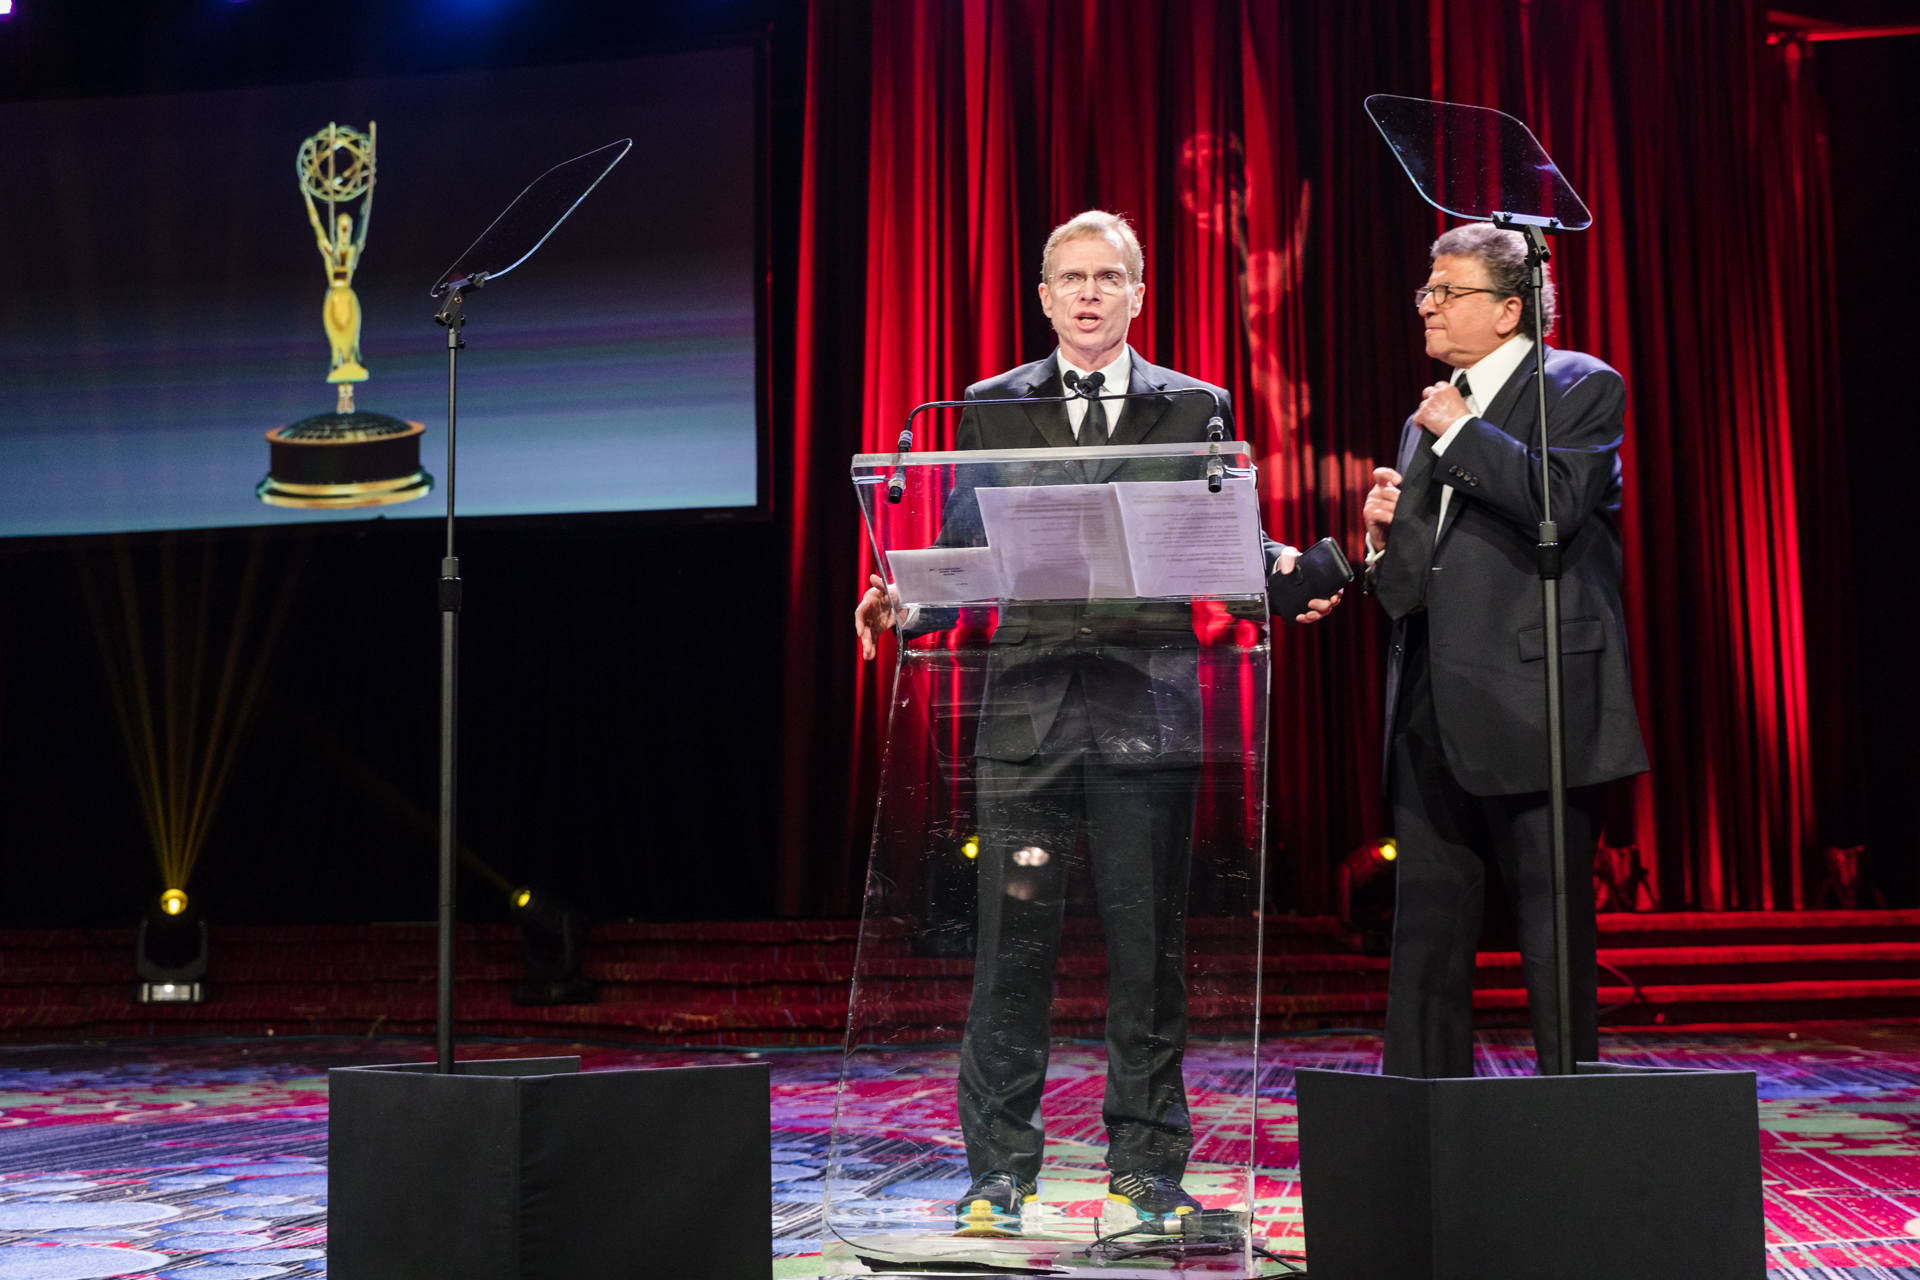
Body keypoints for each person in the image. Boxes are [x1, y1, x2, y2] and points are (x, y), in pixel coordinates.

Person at [855, 211, 1339, 1234]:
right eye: (1070, 278)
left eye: (1106, 277)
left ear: (1137, 294)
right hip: (1024, 712)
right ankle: (998, 1170)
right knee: (1011, 952)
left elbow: (1229, 541)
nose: (1087, 293)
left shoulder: (1194, 405)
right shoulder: (989, 406)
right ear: (1043, 296)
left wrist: (1290, 575)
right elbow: (964, 544)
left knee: (1146, 952)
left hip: (1145, 711)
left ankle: (1146, 1167)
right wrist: (907, 602)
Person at [1362, 222, 1649, 1079]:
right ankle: (1424, 1118)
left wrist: (1460, 433)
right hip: (1431, 697)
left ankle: (1567, 1115)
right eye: (1427, 290)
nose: (1428, 305)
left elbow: (1557, 500)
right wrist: (1380, 542)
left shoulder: (1579, 384)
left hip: (1538, 694)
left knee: (1550, 922)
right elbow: (1416, 576)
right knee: (1428, 927)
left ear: (1509, 310)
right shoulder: (1430, 412)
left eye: (1447, 291)